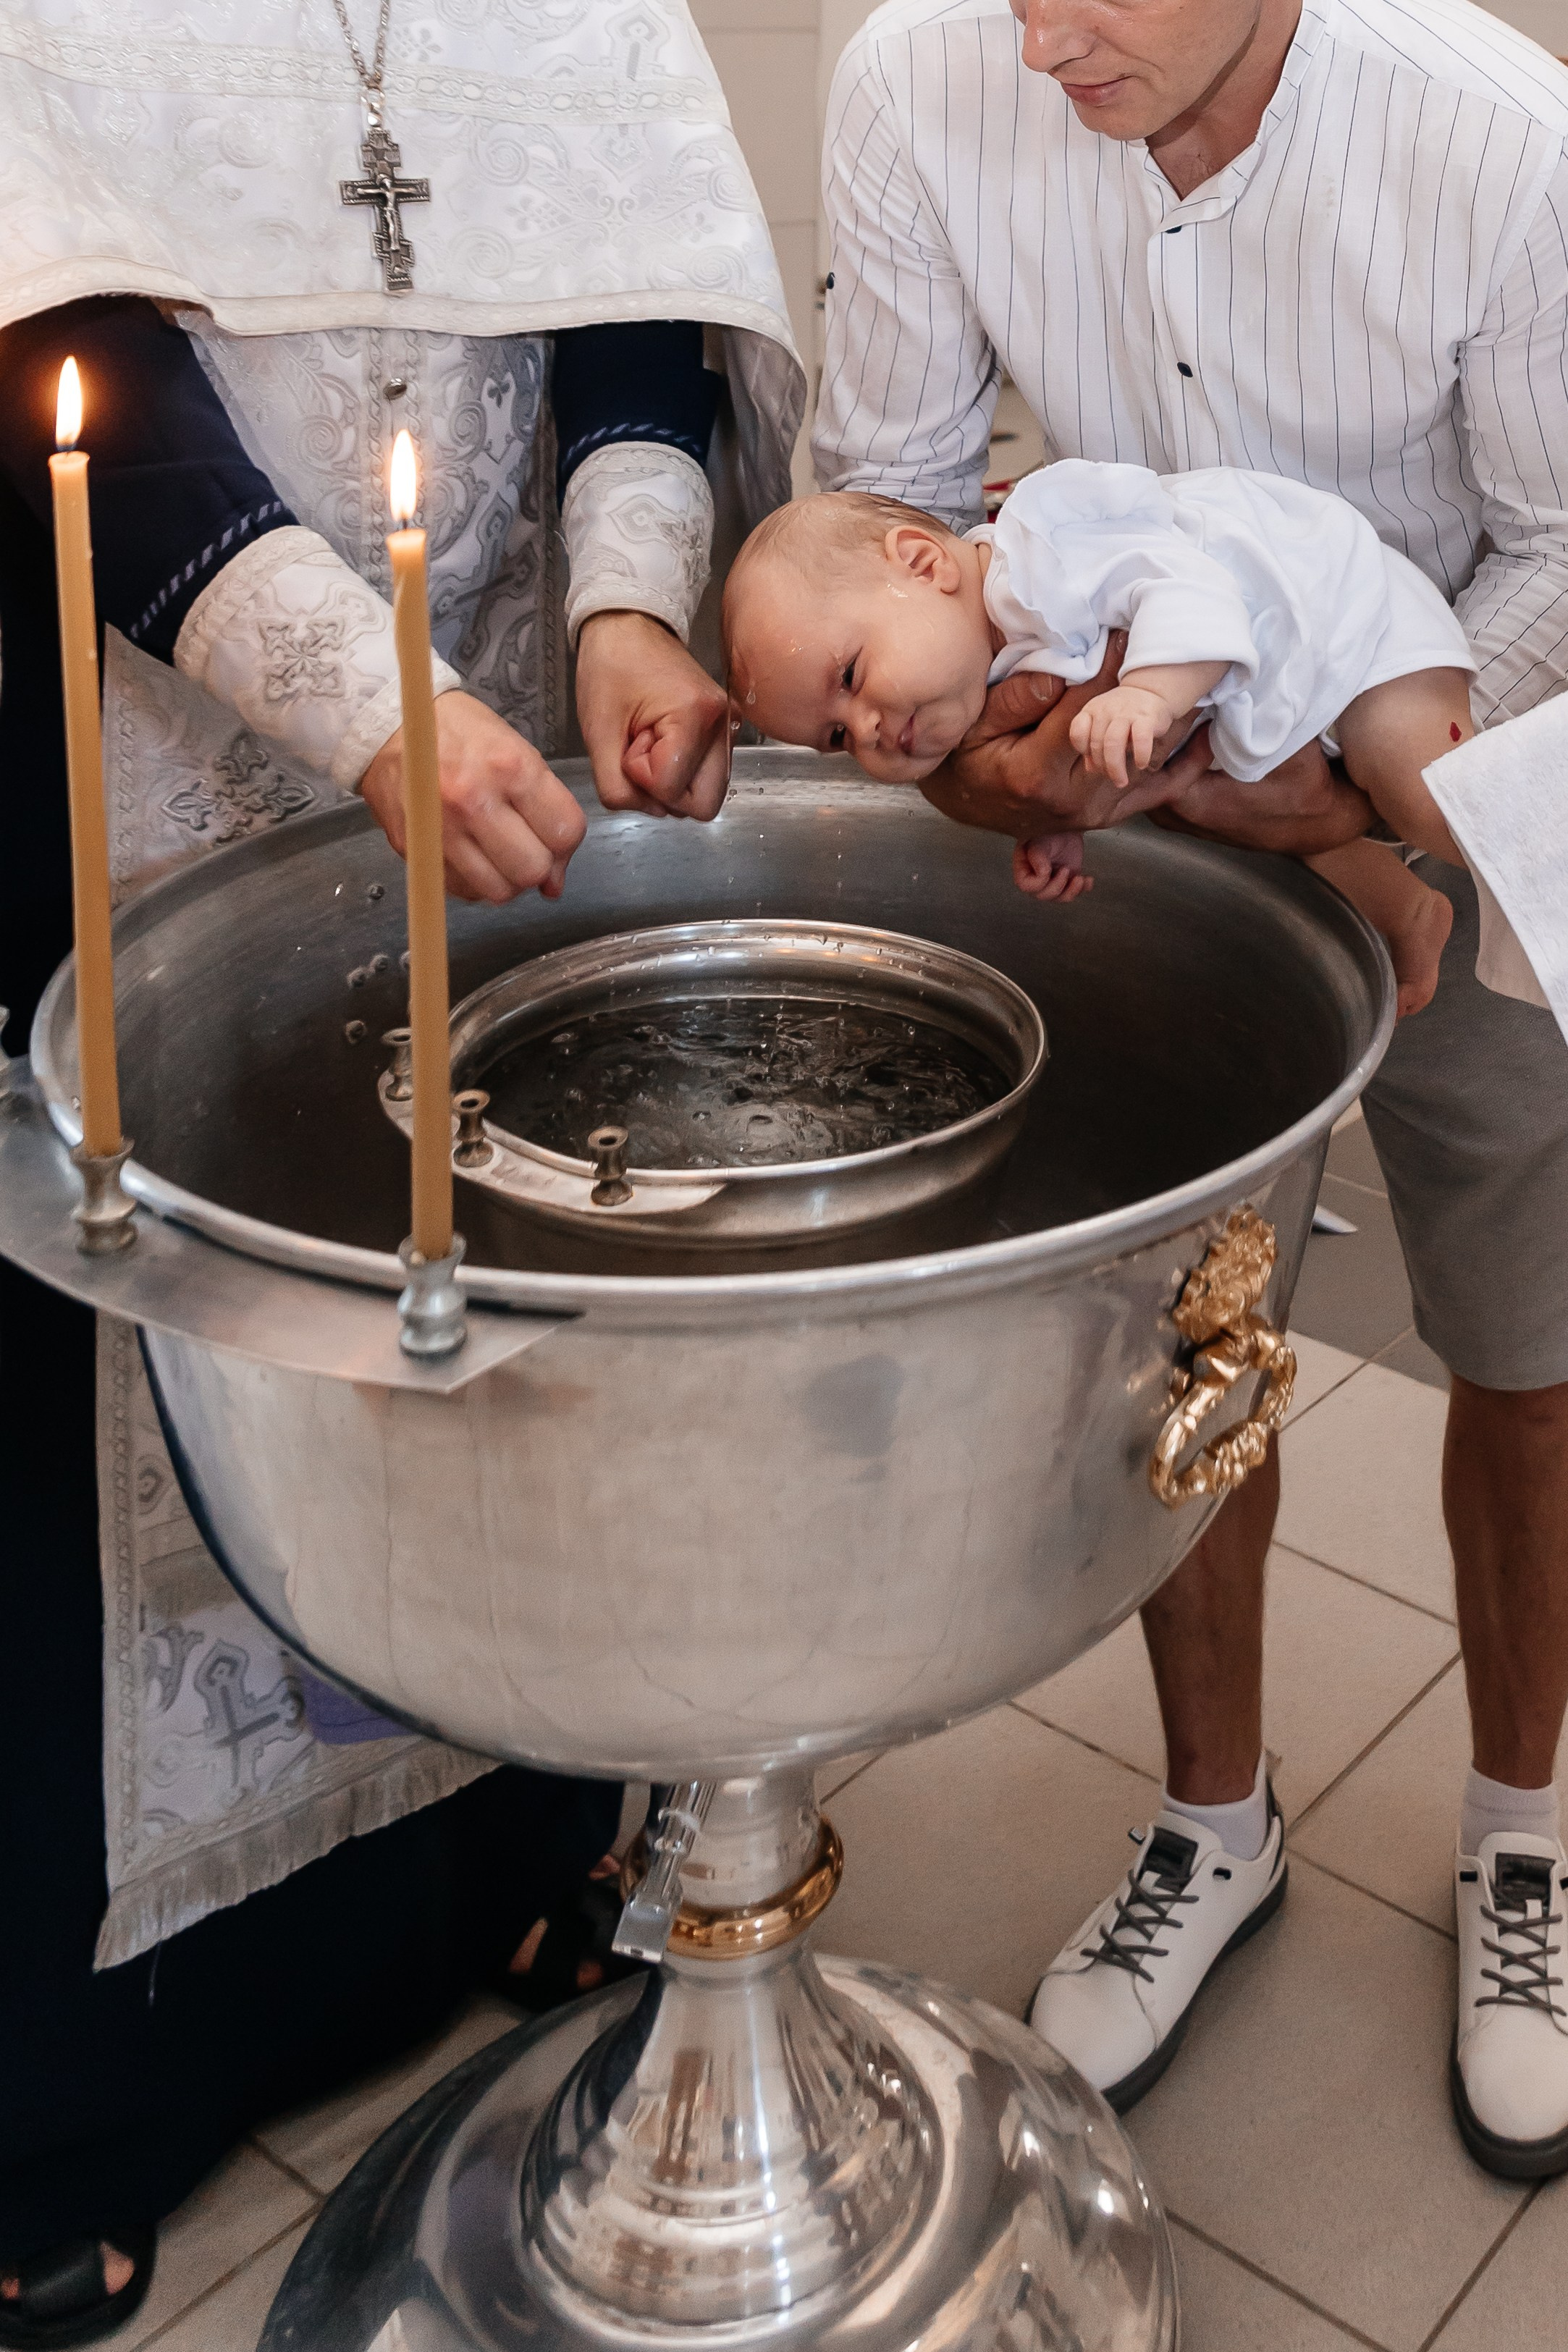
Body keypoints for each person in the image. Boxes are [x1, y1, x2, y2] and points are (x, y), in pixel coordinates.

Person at [0, 0, 801, 2337]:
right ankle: (84, 2084)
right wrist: (357, 700)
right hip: (133, 741)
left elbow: (632, 300)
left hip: (511, 730)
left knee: (481, 1335)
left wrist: (627, 601)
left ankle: (507, 1870)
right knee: (122, 1369)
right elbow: (56, 355)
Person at [814, 0, 1568, 2177]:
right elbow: (881, 522)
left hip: (1449, 777)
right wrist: (1028, 751)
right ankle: (1208, 1822)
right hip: (1138, 791)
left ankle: (1521, 1838)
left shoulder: (1494, 142)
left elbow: (1556, 551)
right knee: (1189, 1329)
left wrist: (1328, 802)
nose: (1041, 37)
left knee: (1520, 1346)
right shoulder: (911, 79)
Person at [722, 472, 1469, 1013]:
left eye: (850, 675)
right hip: (1261, 702)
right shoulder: (986, 664)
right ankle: (1408, 911)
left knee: (1436, 801)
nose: (869, 730)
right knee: (1266, 832)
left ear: (924, 563)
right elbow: (1072, 774)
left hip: (1354, 622)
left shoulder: (1045, 559)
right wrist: (1056, 822)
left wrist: (1149, 694)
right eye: (837, 737)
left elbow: (1191, 587)